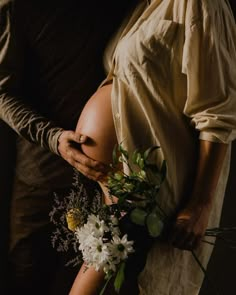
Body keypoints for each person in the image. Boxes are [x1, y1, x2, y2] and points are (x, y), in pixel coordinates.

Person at [67, 0, 236, 294]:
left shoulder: (202, 4)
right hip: (119, 193)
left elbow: (217, 113)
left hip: (153, 196)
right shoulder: (144, 7)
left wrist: (200, 205)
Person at [0, 0, 139, 294]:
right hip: (40, 183)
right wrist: (54, 138)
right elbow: (2, 93)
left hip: (102, 185)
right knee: (26, 280)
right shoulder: (16, 7)